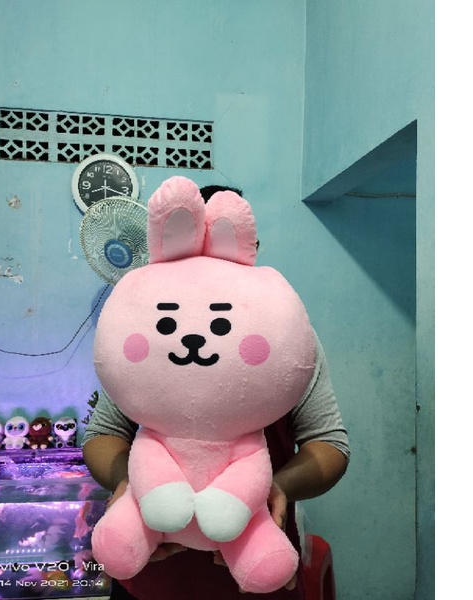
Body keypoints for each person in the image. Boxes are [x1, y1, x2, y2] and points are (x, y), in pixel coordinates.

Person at [82, 185, 350, 600]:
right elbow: (103, 434)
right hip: (151, 570)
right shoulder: (144, 331)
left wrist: (272, 489)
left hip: (253, 566)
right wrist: (131, 483)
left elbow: (329, 444)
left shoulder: (287, 338)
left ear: (249, 251)